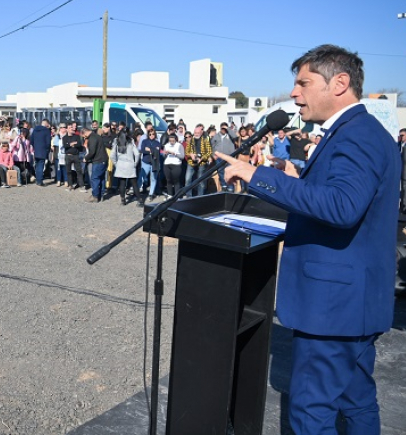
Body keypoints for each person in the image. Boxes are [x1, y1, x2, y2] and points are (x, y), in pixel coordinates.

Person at [216, 44, 398, 434]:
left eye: (303, 83)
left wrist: (257, 176)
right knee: (357, 402)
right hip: (354, 304)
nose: (294, 93)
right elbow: (347, 198)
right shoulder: (360, 132)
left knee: (311, 412)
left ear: (340, 84)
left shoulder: (356, 136)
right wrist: (294, 175)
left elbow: (342, 207)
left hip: (334, 306)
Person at [111, 131, 141, 206]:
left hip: (120, 164)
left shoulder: (116, 142)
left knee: (122, 183)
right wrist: (135, 163)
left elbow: (112, 155)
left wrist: (115, 163)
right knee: (134, 183)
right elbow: (137, 154)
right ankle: (139, 200)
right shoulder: (131, 142)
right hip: (130, 164)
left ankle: (123, 200)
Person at [184, 125, 212, 197]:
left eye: (197, 132)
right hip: (191, 162)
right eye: (195, 132)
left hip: (201, 162)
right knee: (187, 179)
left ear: (201, 132)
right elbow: (186, 152)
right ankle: (188, 196)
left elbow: (209, 152)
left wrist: (202, 158)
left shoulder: (205, 140)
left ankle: (200, 196)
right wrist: (191, 155)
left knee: (201, 180)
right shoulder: (191, 140)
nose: (196, 134)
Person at [82, 126, 108, 202]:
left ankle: (95, 196)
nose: (84, 138)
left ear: (85, 133)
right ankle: (101, 195)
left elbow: (92, 151)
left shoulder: (92, 138)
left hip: (98, 160)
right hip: (104, 159)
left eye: (84, 136)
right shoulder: (97, 136)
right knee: (101, 178)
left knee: (94, 178)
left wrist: (86, 158)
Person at [30, 119, 51, 186]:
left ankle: (38, 179)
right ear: (46, 124)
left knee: (37, 165)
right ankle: (39, 181)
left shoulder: (35, 130)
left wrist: (35, 147)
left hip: (36, 150)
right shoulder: (47, 131)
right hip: (43, 150)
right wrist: (47, 150)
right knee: (41, 165)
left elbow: (31, 140)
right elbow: (48, 142)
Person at [162, 133, 184, 197]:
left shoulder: (179, 145)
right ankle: (170, 195)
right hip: (167, 164)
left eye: (173, 141)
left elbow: (182, 156)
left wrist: (175, 154)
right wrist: (165, 153)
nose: (171, 142)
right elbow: (163, 156)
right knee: (168, 180)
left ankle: (177, 196)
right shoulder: (166, 145)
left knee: (176, 181)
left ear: (175, 140)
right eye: (170, 141)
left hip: (176, 164)